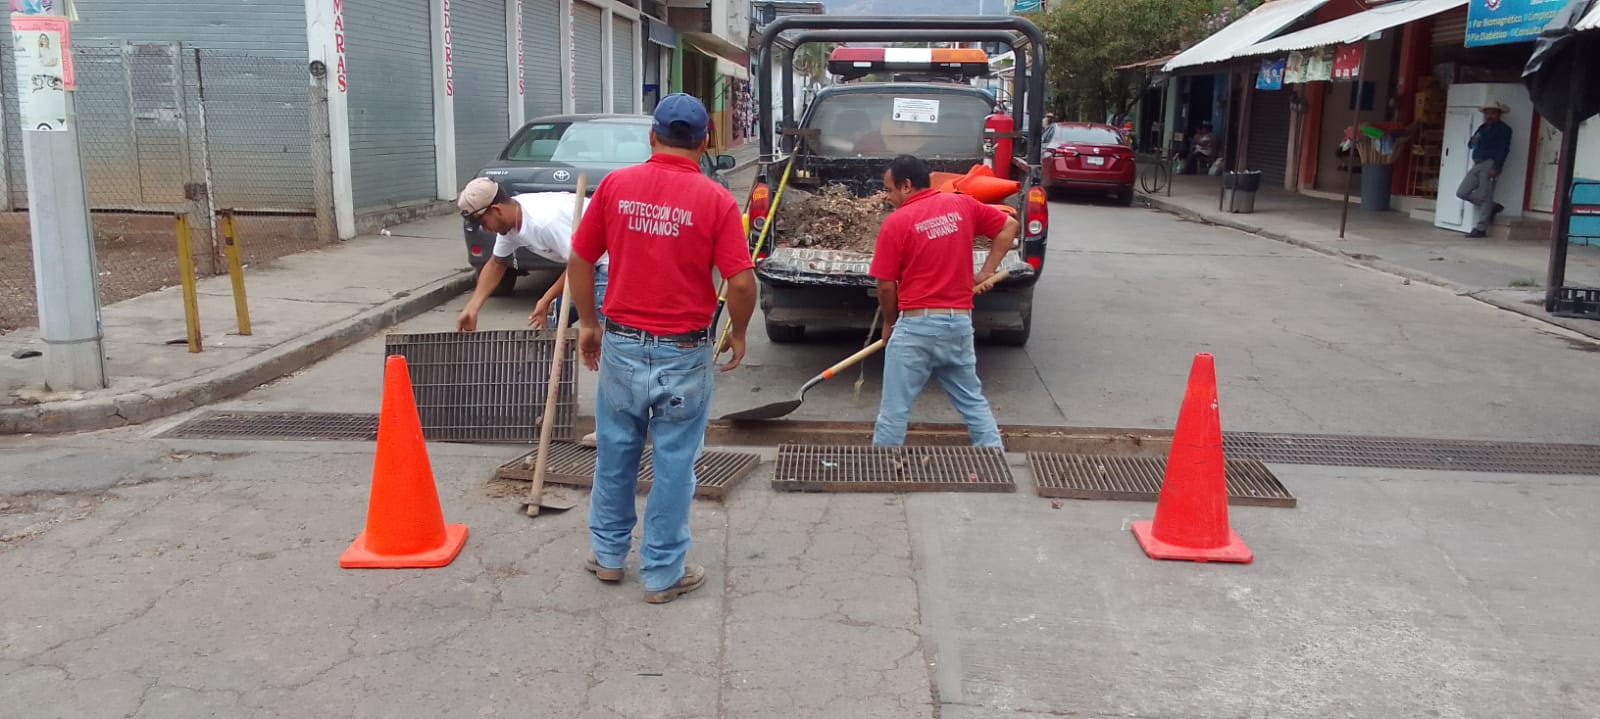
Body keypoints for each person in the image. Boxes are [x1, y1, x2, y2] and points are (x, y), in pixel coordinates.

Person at [567, 93, 757, 604]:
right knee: (674, 463)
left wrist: (588, 323)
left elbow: (580, 260)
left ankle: (608, 558)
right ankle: (661, 573)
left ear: (651, 137)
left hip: (623, 346)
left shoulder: (615, 186)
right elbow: (740, 283)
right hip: (683, 352)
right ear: (704, 142)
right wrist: (738, 333)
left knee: (615, 454)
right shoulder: (716, 200)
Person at [869, 154, 1016, 448]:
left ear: (906, 185)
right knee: (972, 401)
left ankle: (881, 467)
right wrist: (987, 271)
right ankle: (993, 458)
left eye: (889, 190)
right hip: (958, 323)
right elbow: (1009, 225)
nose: (887, 197)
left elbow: (885, 286)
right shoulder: (962, 205)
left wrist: (889, 323)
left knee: (895, 409)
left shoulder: (897, 222)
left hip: (916, 327)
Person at [453, 180, 606, 333]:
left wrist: (545, 299)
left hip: (608, 259)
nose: (485, 229)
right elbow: (496, 264)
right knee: (552, 321)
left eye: (483, 222)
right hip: (582, 263)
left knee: (601, 329)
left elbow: (580, 265)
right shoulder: (510, 220)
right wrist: (472, 308)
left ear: (497, 210)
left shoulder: (545, 223)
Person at [1457, 102, 1512, 238]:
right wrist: (1472, 141)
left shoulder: (1504, 129)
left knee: (1485, 195)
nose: (1489, 116)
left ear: (1499, 114)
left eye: (1493, 113)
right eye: (1487, 113)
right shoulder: (1482, 128)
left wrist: (1496, 167)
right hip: (1477, 163)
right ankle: (1491, 206)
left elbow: (1503, 149)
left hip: (1490, 163)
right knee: (1462, 192)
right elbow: (1471, 145)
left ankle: (1481, 228)